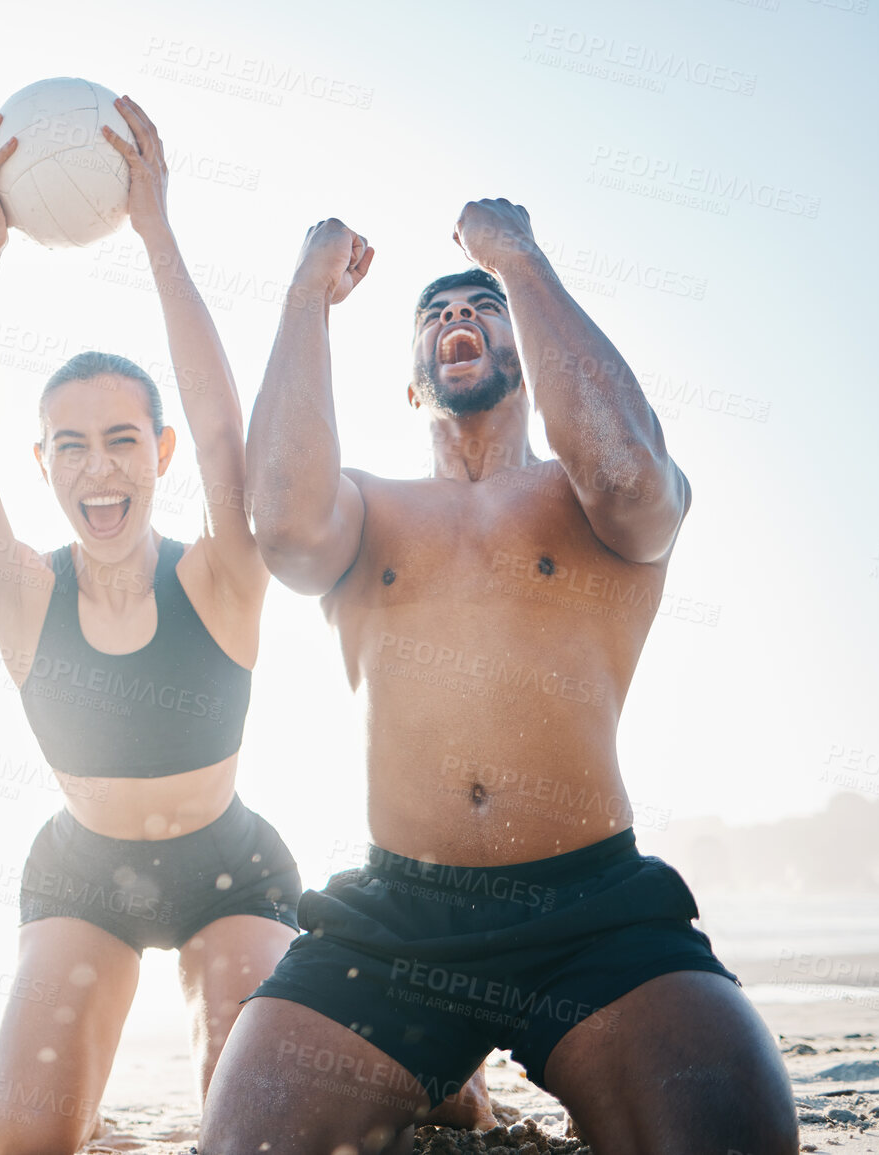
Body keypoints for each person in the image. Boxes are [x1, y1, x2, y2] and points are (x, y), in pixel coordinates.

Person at [0, 98, 489, 1154]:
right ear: (41, 464)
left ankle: (420, 1057)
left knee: (257, 1116)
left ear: (161, 454)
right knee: (24, 1136)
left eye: (124, 441)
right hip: (78, 876)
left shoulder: (224, 578)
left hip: (231, 871)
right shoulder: (23, 596)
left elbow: (231, 429)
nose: (101, 468)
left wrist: (158, 232)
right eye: (73, 447)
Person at [200, 205, 798, 1152]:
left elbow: (633, 481)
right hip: (395, 921)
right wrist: (307, 293)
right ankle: (445, 1080)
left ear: (530, 348)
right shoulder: (368, 510)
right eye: (433, 315)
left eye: (480, 307)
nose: (455, 317)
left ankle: (458, 1081)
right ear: (409, 386)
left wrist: (517, 259)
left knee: (729, 1137)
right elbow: (281, 526)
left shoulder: (589, 498)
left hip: (591, 907)